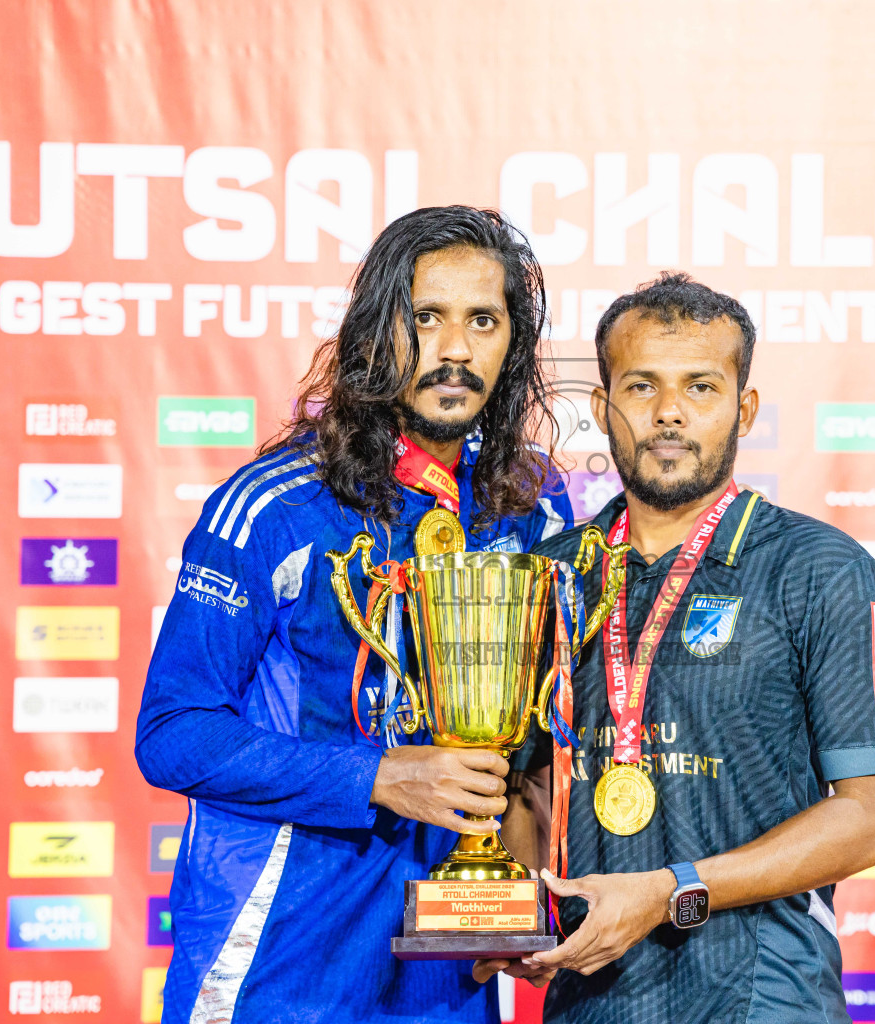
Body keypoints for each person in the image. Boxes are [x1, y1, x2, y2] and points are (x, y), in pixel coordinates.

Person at [136, 206, 573, 1024]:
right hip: (282, 957)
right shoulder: (272, 506)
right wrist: (383, 776)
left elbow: (530, 747)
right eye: (425, 319)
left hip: (446, 966)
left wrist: (520, 888)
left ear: (512, 342)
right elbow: (173, 733)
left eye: (483, 320)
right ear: (377, 333)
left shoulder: (528, 508)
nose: (453, 350)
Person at [478, 273, 875, 1023]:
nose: (669, 413)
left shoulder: (820, 570)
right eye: (641, 386)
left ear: (742, 410)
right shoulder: (546, 575)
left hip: (761, 996)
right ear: (602, 406)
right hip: (591, 1003)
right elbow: (527, 800)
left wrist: (668, 891)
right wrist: (516, 909)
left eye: (701, 388)